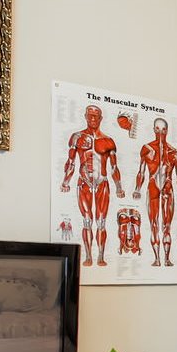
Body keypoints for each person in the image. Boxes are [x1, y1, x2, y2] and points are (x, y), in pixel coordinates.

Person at [60, 104, 124, 266]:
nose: (93, 119)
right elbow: (71, 162)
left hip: (102, 182)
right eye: (90, 115)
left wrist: (118, 187)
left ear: (101, 118)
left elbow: (114, 167)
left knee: (101, 221)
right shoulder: (77, 137)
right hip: (84, 182)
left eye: (96, 116)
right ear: (86, 116)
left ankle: (100, 256)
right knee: (87, 220)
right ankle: (88, 256)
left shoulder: (108, 141)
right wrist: (65, 182)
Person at [133, 116, 177, 267]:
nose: (161, 133)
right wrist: (137, 189)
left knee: (167, 225)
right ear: (154, 130)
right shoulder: (146, 149)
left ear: (167, 130)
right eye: (158, 129)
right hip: (152, 187)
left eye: (163, 129)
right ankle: (157, 258)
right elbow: (141, 171)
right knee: (154, 224)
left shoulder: (174, 153)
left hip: (168, 188)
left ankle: (167, 258)